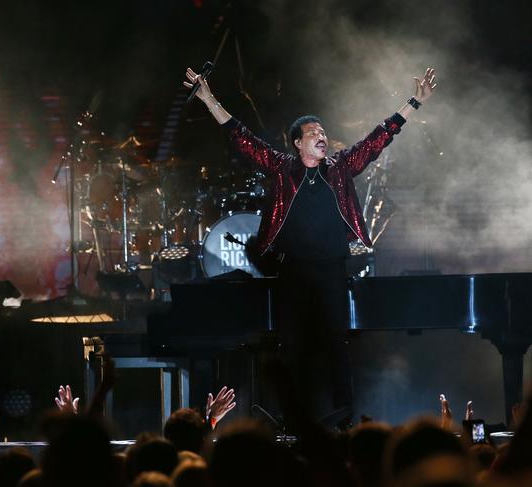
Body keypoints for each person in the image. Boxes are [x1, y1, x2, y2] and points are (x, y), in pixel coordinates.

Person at [183, 66, 437, 424]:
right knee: (294, 348)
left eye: (322, 131)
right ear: (298, 143)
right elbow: (241, 137)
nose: (321, 135)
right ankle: (292, 419)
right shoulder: (282, 168)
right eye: (312, 133)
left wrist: (414, 103)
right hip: (293, 271)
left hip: (333, 267)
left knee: (338, 344)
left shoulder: (342, 166)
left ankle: (345, 418)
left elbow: (379, 137)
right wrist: (209, 99)